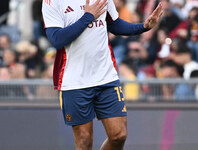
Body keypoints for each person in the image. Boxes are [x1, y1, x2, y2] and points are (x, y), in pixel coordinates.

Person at [42, 0, 163, 149]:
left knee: (119, 135)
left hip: (106, 77)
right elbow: (57, 39)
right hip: (74, 81)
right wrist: (88, 16)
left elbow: (114, 24)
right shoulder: (52, 2)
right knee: (84, 142)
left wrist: (143, 27)